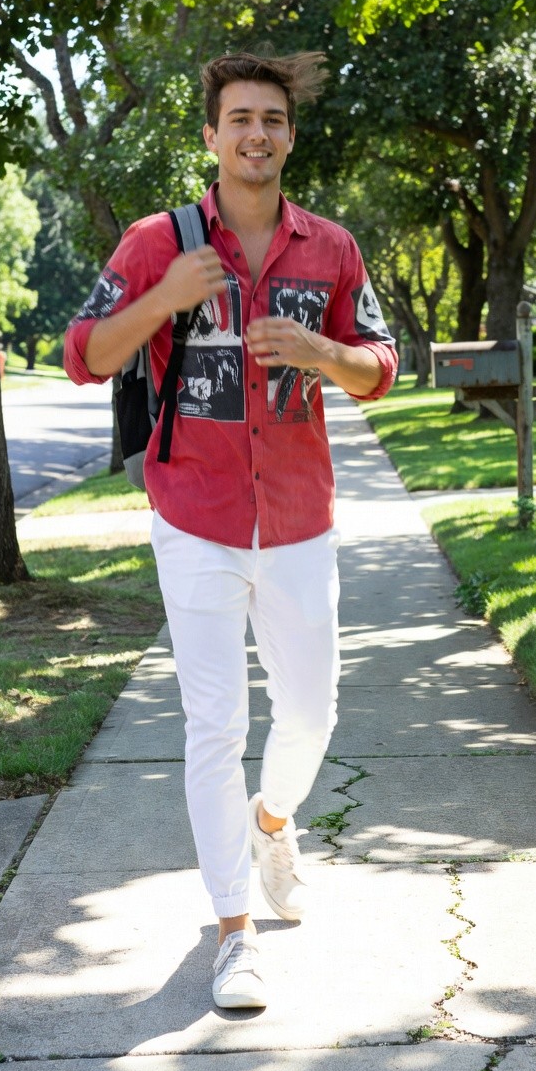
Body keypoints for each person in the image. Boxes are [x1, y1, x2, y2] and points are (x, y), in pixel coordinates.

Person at [64, 50, 398, 1010]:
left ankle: (274, 820)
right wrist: (164, 299)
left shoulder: (331, 248)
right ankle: (232, 930)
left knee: (313, 714)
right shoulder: (149, 242)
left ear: (290, 136)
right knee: (215, 723)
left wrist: (321, 350)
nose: (256, 133)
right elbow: (81, 353)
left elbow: (381, 364)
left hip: (298, 518)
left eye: (273, 119)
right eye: (239, 118)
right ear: (210, 134)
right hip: (194, 518)